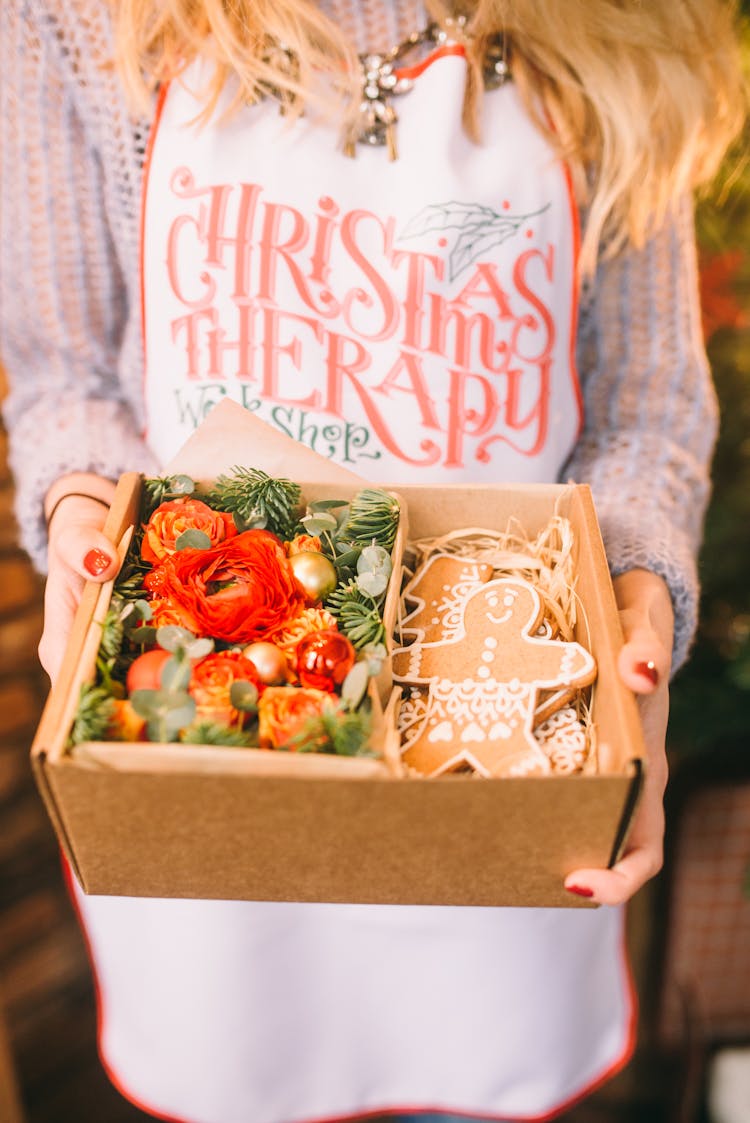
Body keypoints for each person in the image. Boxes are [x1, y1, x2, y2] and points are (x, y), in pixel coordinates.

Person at [1, 1, 746, 1121]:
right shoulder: (74, 19)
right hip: (212, 774)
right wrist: (78, 515)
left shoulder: (625, 23)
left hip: (499, 761)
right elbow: (67, 374)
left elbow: (649, 410)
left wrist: (635, 599)